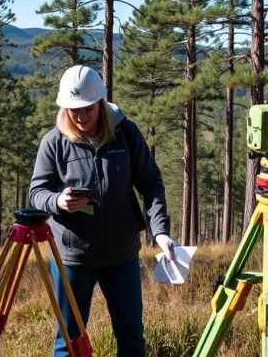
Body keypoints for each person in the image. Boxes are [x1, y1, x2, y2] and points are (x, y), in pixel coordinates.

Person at [29, 65, 175, 357]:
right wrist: (58, 201)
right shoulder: (54, 142)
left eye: (87, 109)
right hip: (72, 258)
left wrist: (160, 232)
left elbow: (151, 182)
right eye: (73, 110)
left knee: (131, 337)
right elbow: (36, 193)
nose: (80, 117)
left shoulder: (126, 135)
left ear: (101, 104)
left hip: (122, 256)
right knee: (68, 341)